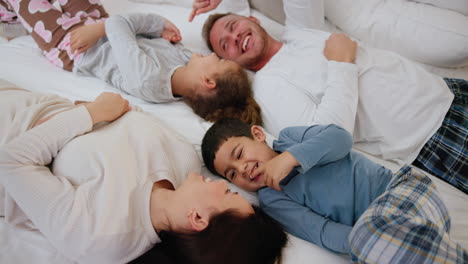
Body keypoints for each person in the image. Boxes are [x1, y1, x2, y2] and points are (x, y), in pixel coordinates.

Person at [192, 0, 468, 194]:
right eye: (225, 44)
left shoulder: (301, 30)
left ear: (251, 19)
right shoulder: (268, 91)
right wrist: (341, 63)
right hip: (431, 135)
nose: (234, 37)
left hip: (446, 90)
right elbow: (328, 136)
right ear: (233, 63)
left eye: (232, 25)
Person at [0, 79, 286, 264]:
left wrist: (91, 114)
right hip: (23, 97)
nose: (223, 185)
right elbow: (126, 110)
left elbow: (11, 162)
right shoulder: (183, 159)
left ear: (197, 218)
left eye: (226, 193)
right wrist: (88, 112)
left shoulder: (101, 236)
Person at [201, 118, 468, 262]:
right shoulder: (273, 199)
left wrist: (290, 158)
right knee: (377, 248)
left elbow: (340, 139)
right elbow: (321, 231)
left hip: (404, 191)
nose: (243, 168)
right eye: (232, 173)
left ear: (258, 134)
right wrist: (365, 243)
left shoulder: (291, 138)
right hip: (384, 235)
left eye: (239, 154)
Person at [2, 0, 262, 126]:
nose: (214, 54)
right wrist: (157, 25)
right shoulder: (185, 60)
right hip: (97, 24)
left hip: (73, 44)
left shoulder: (149, 81)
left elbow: (119, 24)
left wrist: (156, 25)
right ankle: (12, 17)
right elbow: (134, 27)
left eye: (218, 61)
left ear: (207, 81)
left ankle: (10, 15)